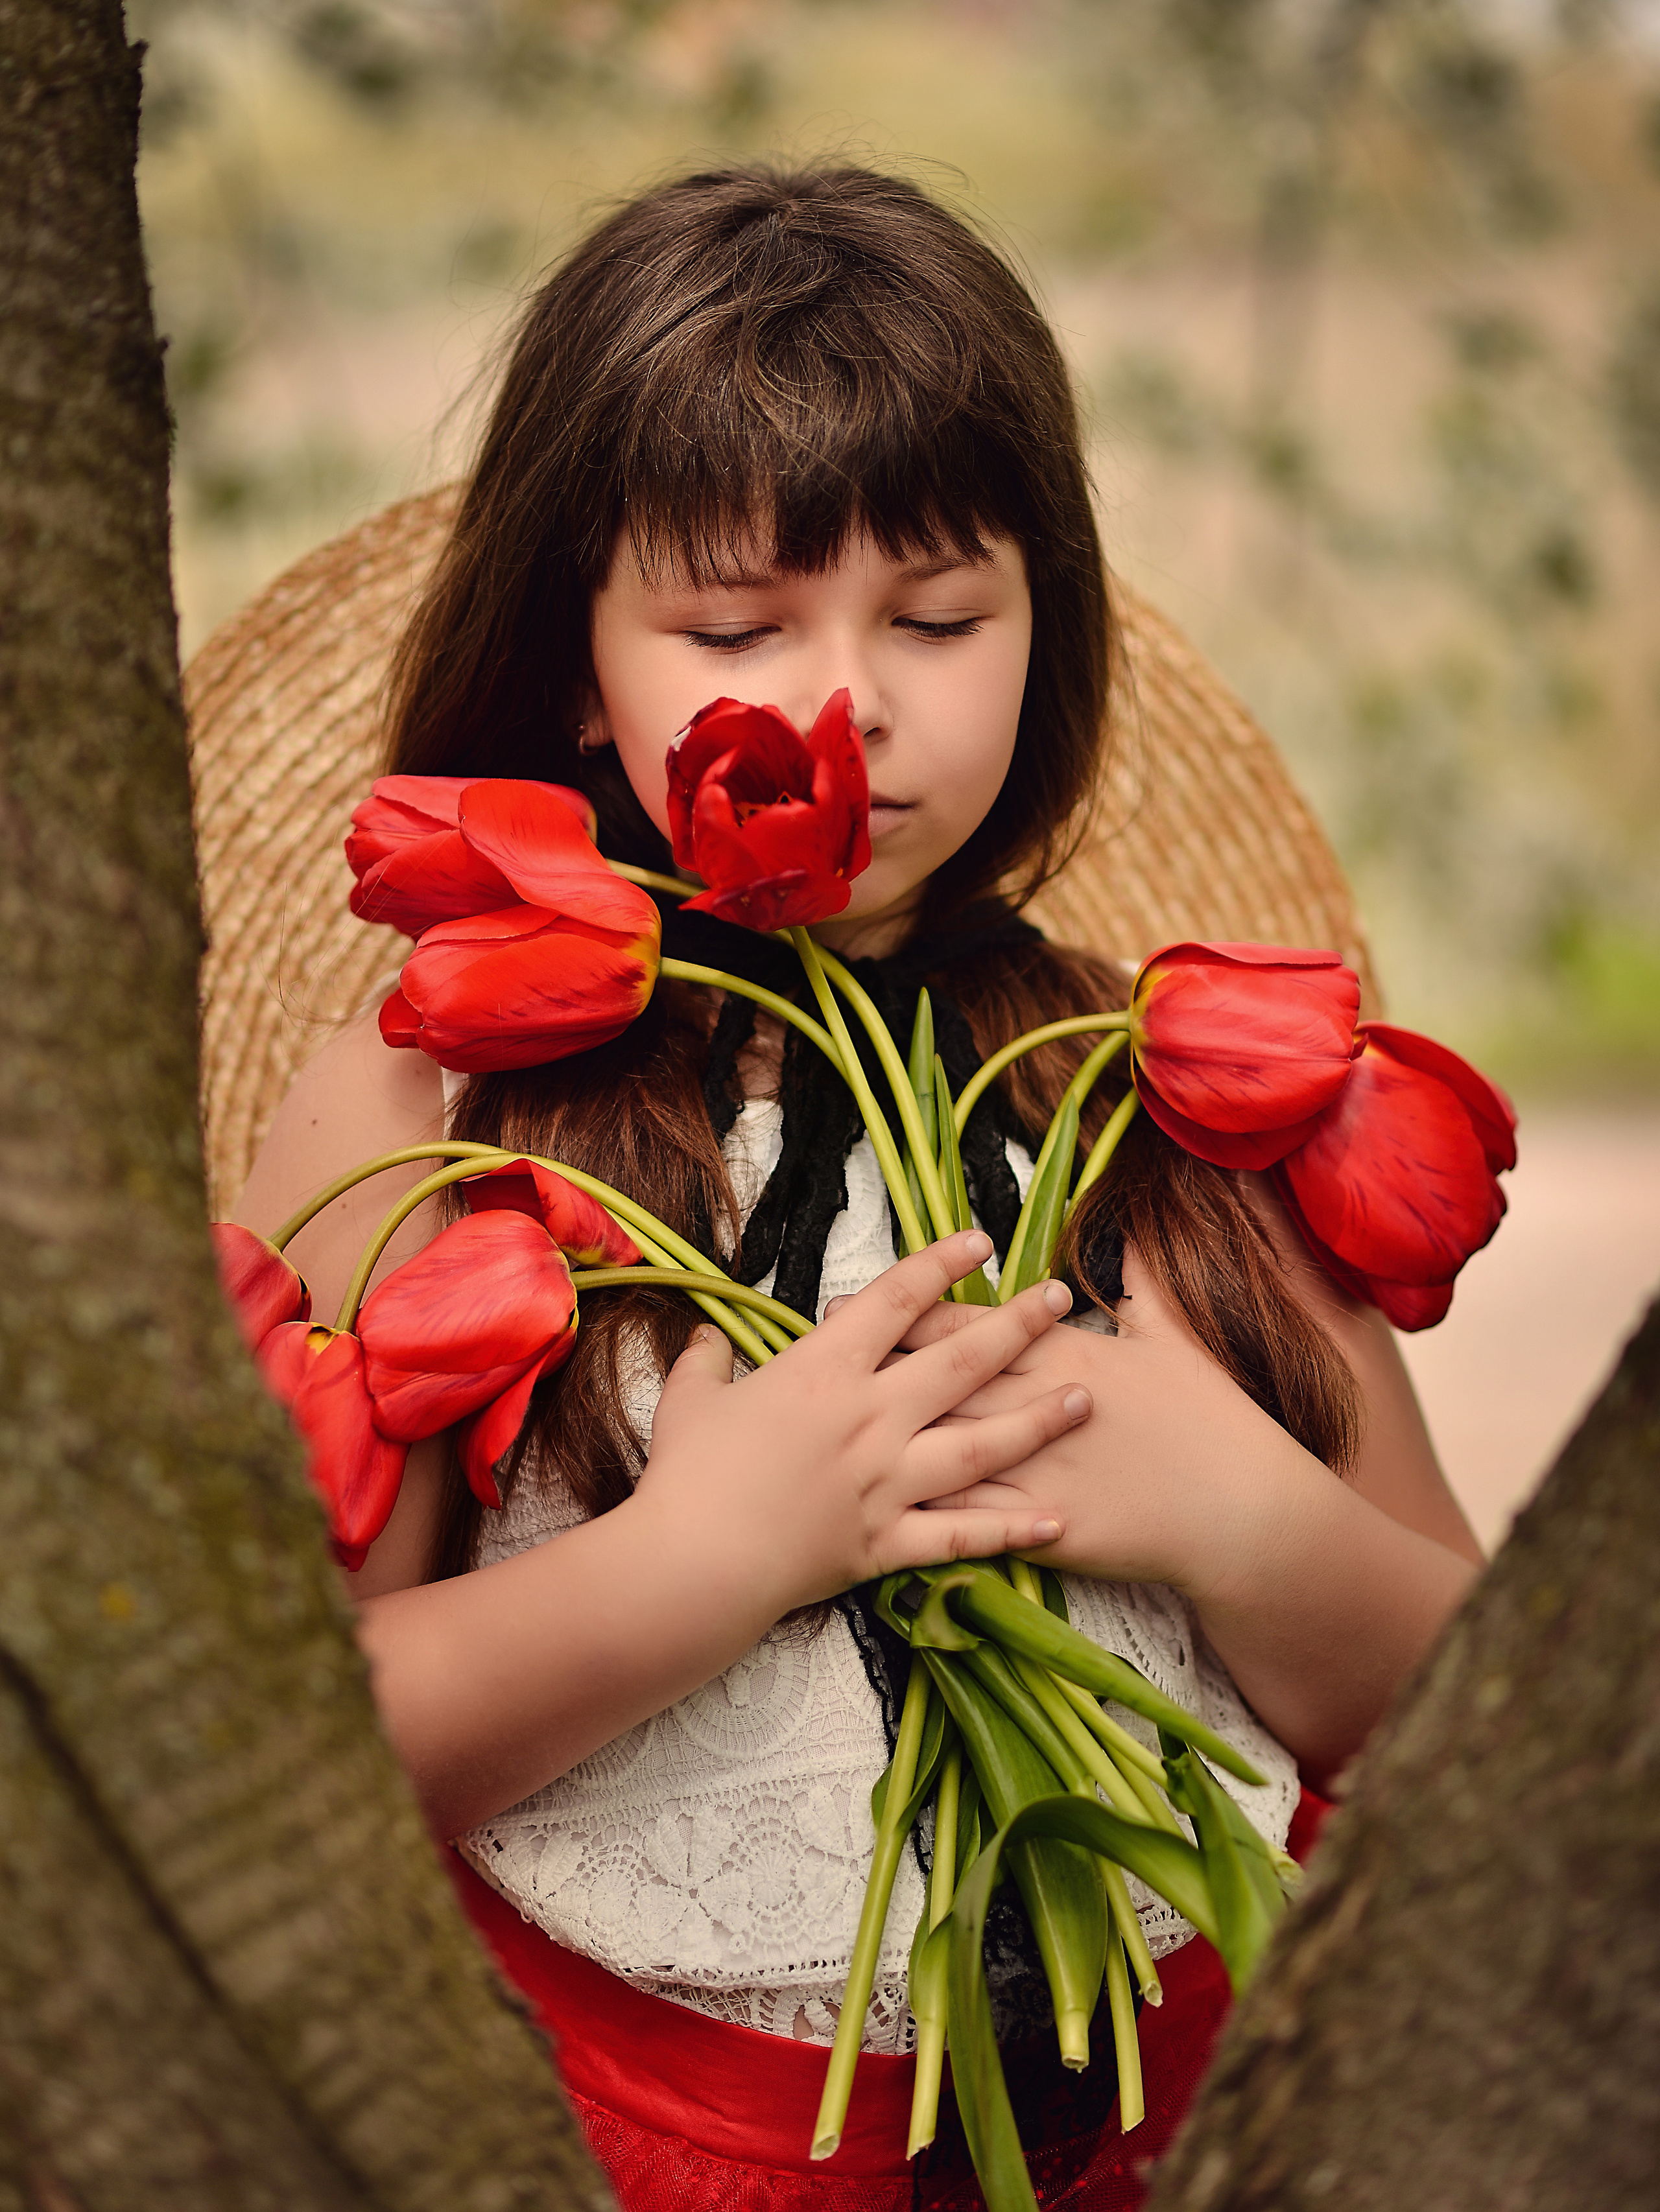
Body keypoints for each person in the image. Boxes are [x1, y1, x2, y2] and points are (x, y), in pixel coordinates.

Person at [233, 163, 1484, 2208]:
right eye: (736, 623)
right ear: (577, 667)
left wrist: (1242, 1511)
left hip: (1207, 2109)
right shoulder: (433, 1085)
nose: (852, 702)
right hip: (622, 2137)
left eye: (938, 615)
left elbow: (1495, 1706)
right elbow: (273, 1750)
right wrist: (706, 1553)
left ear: (1044, 626)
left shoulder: (1165, 1092)